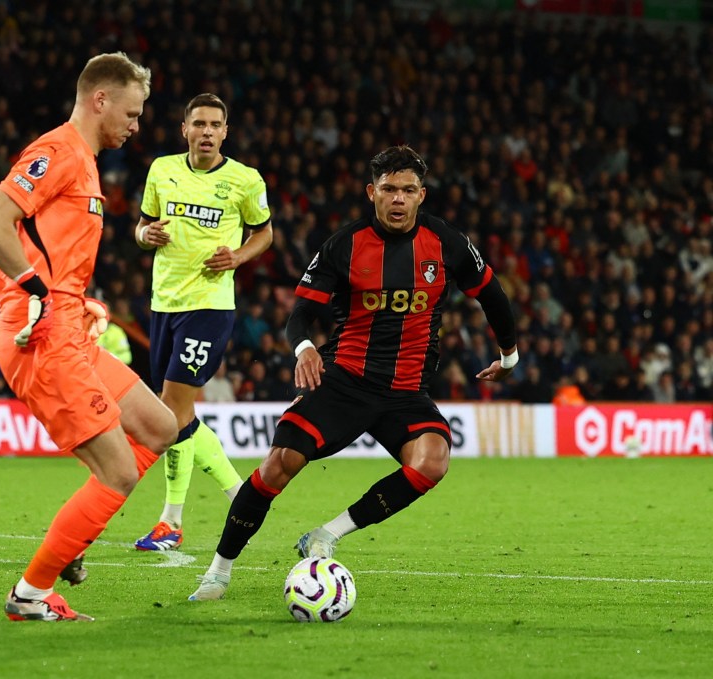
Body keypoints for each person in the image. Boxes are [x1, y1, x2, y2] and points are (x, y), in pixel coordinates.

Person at [188, 146, 518, 601]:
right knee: (278, 466)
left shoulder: (448, 243)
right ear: (371, 192)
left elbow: (493, 295)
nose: (398, 199)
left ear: (422, 195)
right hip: (344, 383)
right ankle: (219, 570)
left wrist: (510, 355)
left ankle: (326, 535)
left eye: (407, 190)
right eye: (388, 190)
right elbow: (299, 314)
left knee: (432, 461)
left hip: (405, 392)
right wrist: (304, 348)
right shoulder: (345, 244)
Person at [0, 52, 177, 622]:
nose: (136, 127)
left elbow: (47, 249)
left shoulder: (84, 161)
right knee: (116, 472)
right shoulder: (58, 151)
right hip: (40, 336)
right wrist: (37, 290)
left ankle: (75, 540)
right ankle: (29, 596)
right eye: (132, 114)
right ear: (100, 99)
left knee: (160, 426)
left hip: (68, 326)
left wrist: (76, 298)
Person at [132, 93, 273, 551]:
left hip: (210, 305)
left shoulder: (244, 180)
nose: (208, 131)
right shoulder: (161, 170)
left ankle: (171, 521)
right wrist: (143, 234)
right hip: (163, 303)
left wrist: (237, 256)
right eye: (200, 124)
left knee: (170, 411)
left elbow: (265, 232)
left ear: (226, 132)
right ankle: (241, 495)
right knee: (180, 413)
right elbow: (142, 225)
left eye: (216, 124)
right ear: (185, 129)